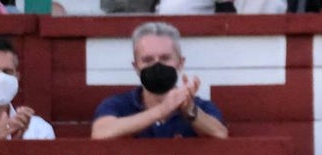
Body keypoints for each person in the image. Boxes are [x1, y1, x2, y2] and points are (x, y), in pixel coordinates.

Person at [91, 22, 228, 140]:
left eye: (165, 58)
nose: (157, 65)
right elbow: (100, 132)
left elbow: (220, 133)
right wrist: (162, 110)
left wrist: (188, 110)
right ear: (136, 67)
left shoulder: (201, 106)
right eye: (147, 60)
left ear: (180, 63)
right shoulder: (118, 104)